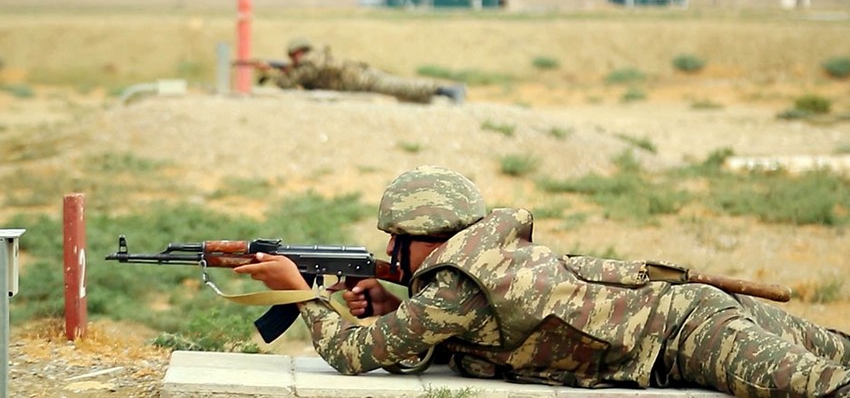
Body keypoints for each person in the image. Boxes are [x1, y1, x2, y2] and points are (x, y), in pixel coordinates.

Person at [234, 165, 850, 397]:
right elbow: (462, 333)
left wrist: (298, 291)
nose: (392, 251)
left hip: (690, 335)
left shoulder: (455, 287)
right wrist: (395, 306)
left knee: (826, 384)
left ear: (428, 236)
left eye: (399, 239)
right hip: (688, 308)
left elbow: (350, 355)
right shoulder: (483, 255)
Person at [268, 38, 466, 104]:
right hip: (360, 75)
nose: (292, 59)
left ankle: (447, 91)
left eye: (293, 55)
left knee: (400, 86)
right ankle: (439, 95)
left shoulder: (310, 62)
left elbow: (287, 84)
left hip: (361, 80)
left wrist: (272, 74)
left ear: (300, 51)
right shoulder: (315, 58)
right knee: (401, 89)